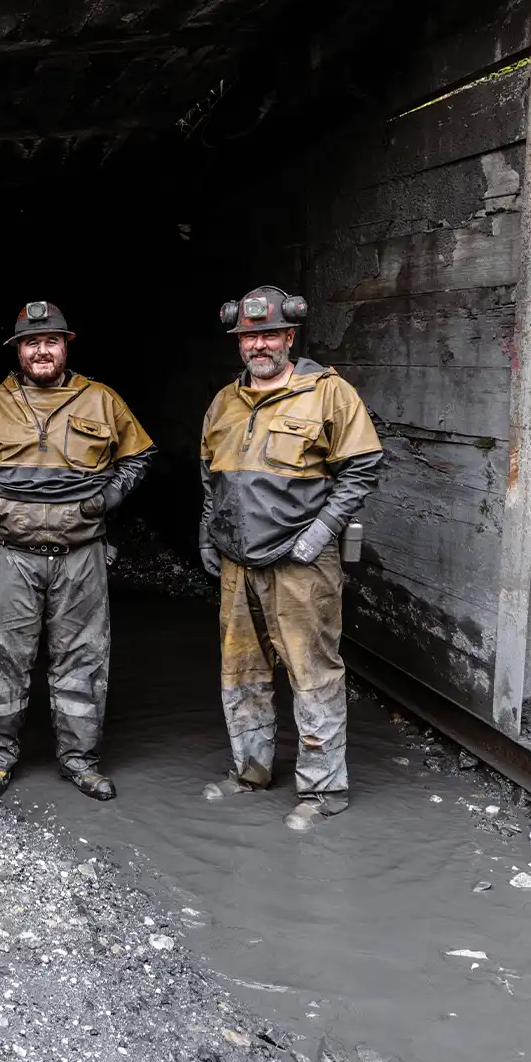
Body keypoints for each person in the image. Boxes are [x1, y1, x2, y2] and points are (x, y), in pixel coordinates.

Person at [0, 301, 156, 801]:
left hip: (81, 553)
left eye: (51, 341)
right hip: (10, 551)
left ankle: (79, 761)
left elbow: (140, 454)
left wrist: (107, 498)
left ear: (66, 346)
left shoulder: (102, 400)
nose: (41, 350)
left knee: (83, 655)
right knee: (5, 656)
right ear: (18, 351)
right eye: (31, 343)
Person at [199, 285, 383, 831]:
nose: (259, 345)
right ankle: (250, 771)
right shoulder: (224, 401)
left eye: (269, 334)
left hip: (300, 564)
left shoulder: (329, 394)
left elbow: (363, 467)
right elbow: (210, 477)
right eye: (249, 336)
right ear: (240, 343)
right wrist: (208, 535)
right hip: (239, 563)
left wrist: (321, 531)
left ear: (289, 337)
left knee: (313, 674)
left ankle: (324, 792)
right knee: (243, 671)